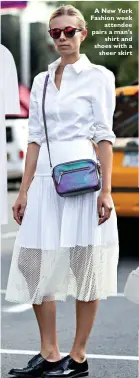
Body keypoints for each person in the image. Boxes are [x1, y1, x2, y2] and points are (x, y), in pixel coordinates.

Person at [6, 4, 119, 378]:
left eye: (69, 31)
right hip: (45, 183)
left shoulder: (99, 76)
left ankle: (79, 356)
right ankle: (50, 352)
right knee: (33, 263)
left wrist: (107, 190)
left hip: (85, 180)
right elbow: (35, 138)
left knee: (83, 264)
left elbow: (104, 135)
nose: (62, 39)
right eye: (56, 33)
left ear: (82, 33)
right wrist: (22, 192)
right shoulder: (40, 80)